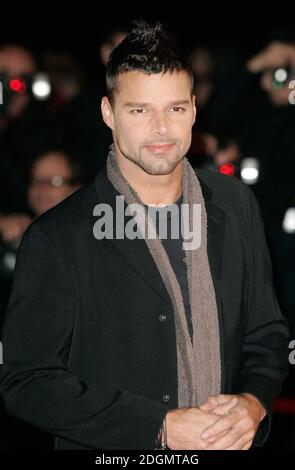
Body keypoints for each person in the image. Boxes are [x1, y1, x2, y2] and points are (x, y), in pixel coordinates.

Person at [0, 20, 289, 451]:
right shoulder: (59, 237)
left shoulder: (235, 205)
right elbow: (26, 381)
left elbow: (265, 334)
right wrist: (159, 427)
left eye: (174, 108)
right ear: (108, 113)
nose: (160, 129)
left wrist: (253, 402)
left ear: (193, 109)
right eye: (139, 110)